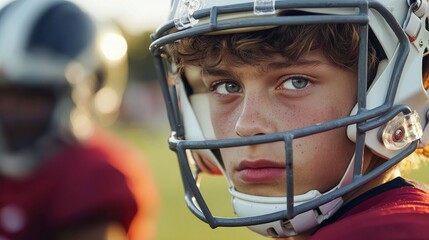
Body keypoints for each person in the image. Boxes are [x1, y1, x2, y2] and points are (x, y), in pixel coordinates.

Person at [150, 0, 429, 239]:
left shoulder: (395, 231)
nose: (246, 126)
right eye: (226, 86)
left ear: (392, 89)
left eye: (296, 82)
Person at [0, 0, 159, 239]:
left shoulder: (91, 174)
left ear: (84, 94)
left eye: (30, 95)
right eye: (3, 92)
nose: (9, 109)